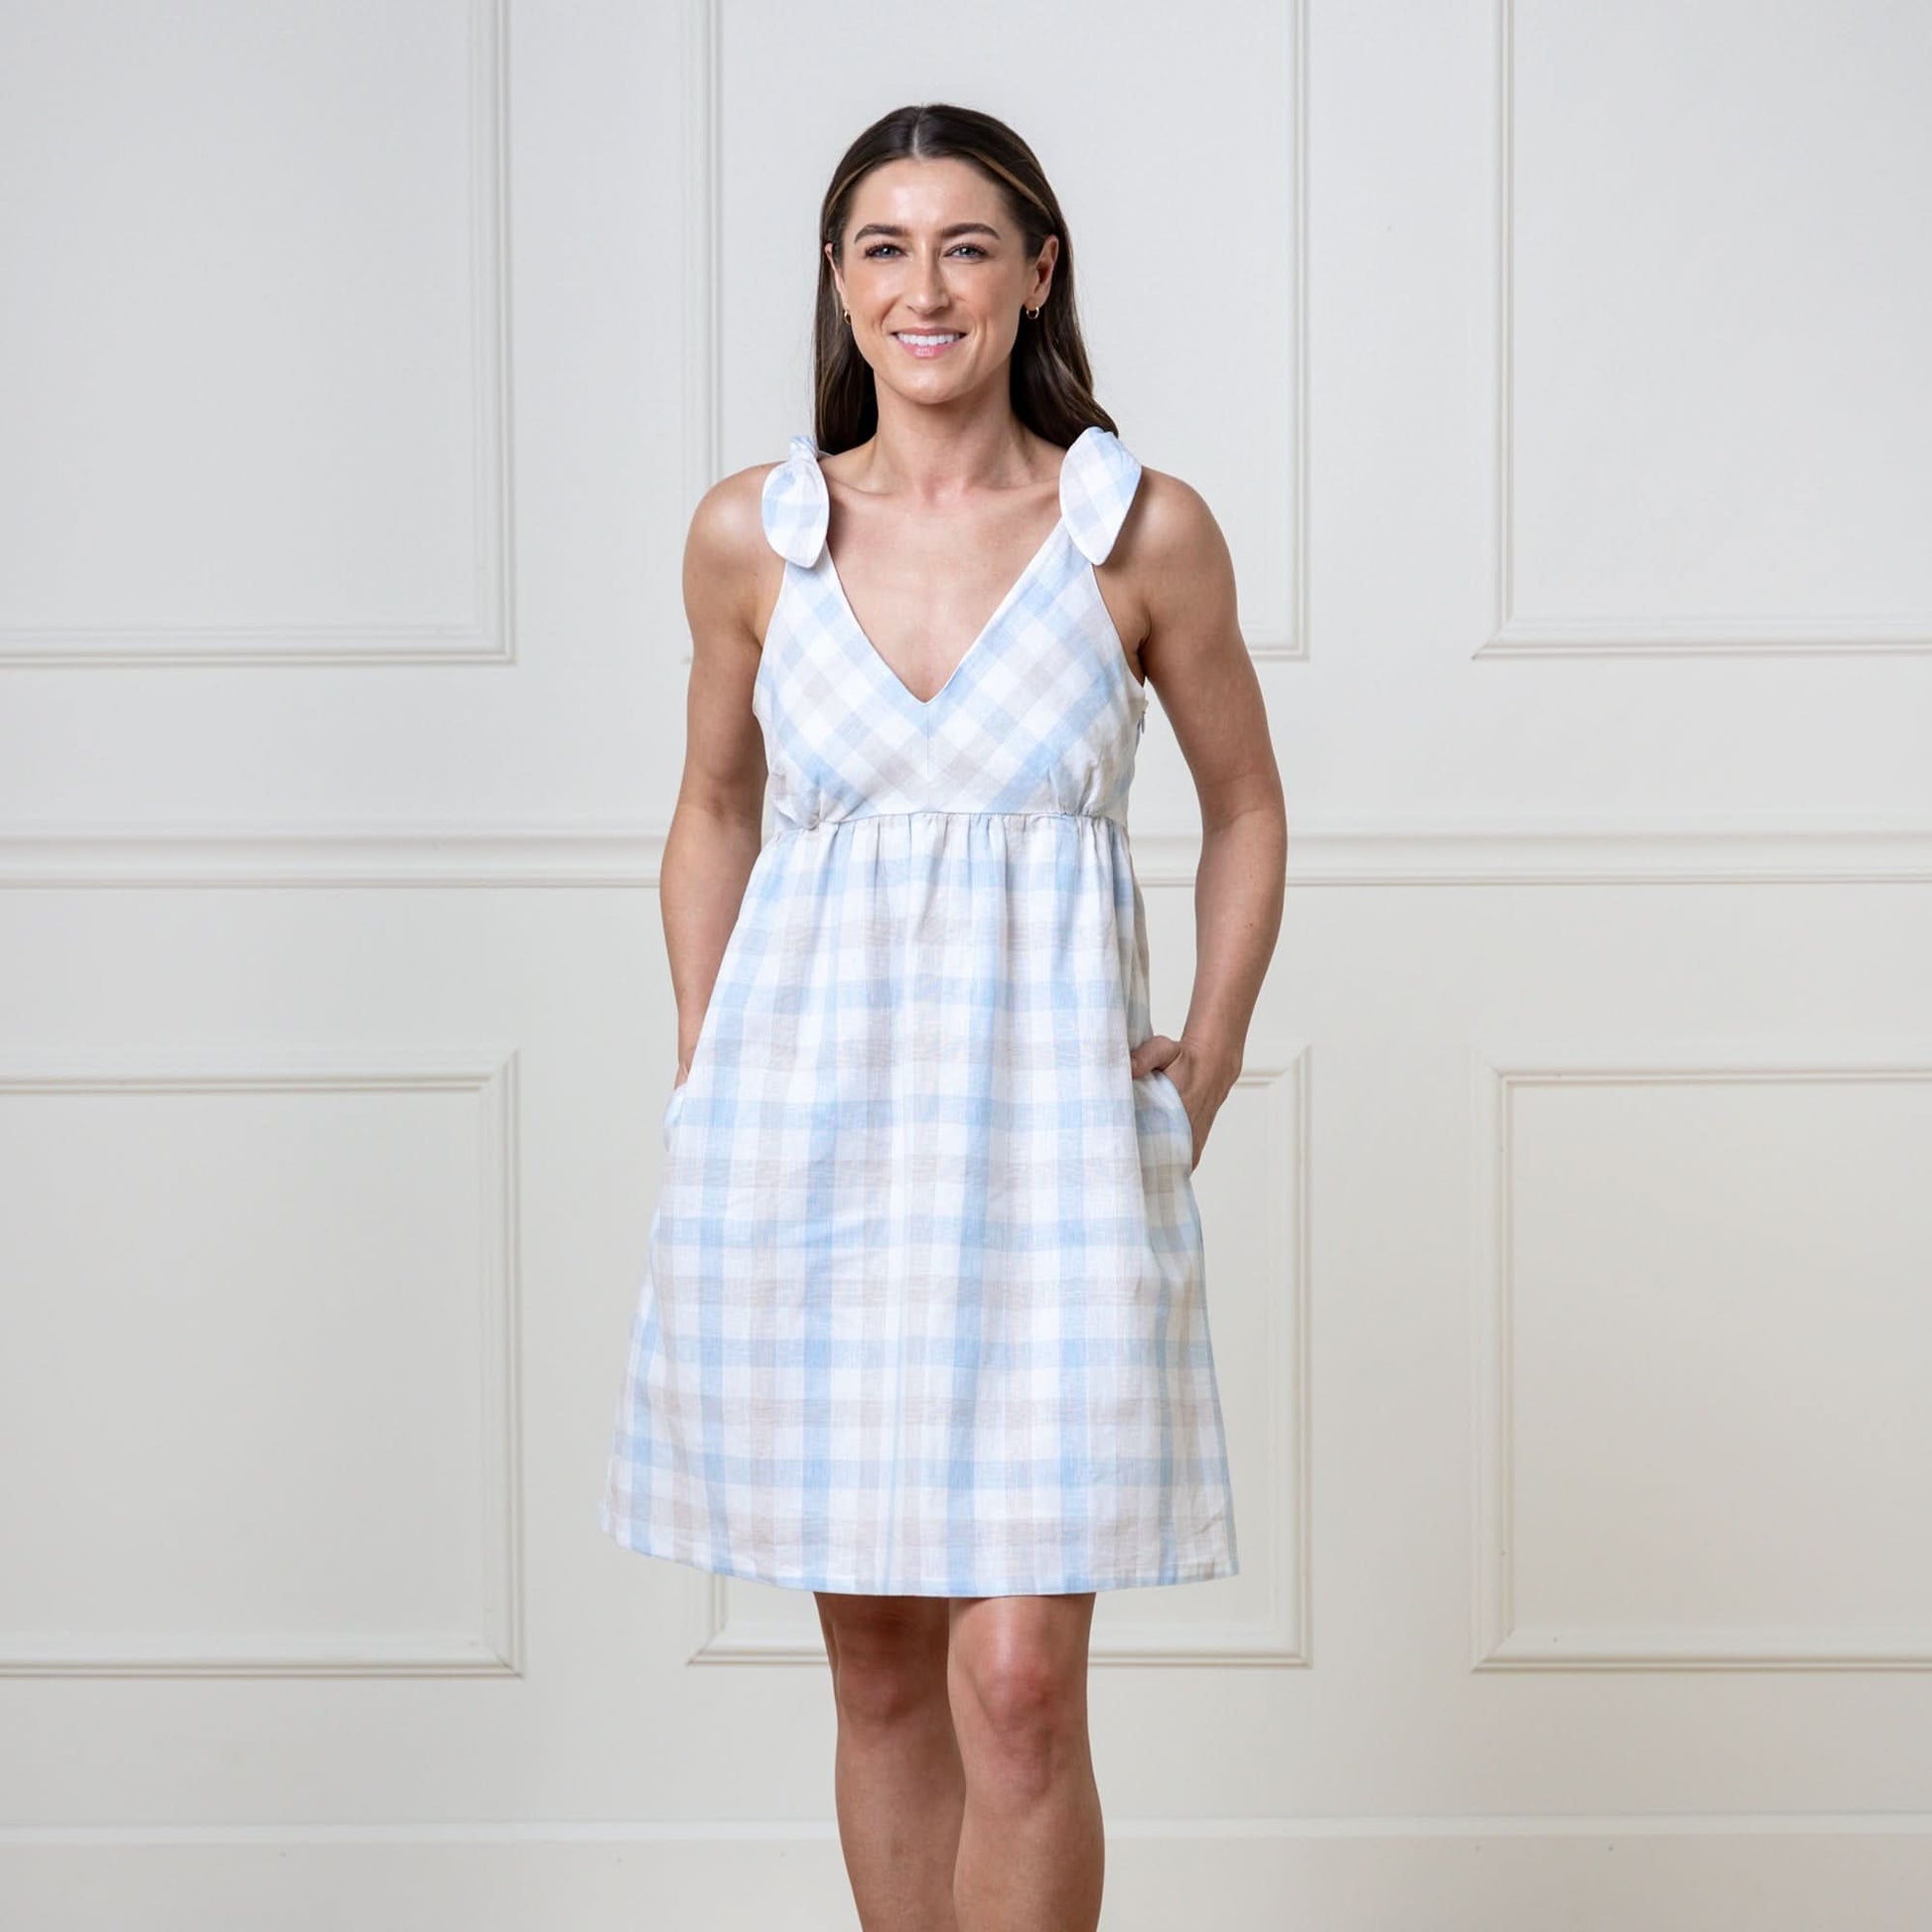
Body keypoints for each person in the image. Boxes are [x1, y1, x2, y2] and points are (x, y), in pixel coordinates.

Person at [602, 100, 1287, 1932]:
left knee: (1018, 1684)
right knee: (887, 1673)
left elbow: (1245, 805)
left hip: (1047, 1161)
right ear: (838, 281)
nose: (925, 287)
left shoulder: (1137, 530)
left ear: (1036, 273)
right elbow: (713, 805)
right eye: (884, 248)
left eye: (967, 246)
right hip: (809, 1152)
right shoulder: (753, 537)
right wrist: (705, 1064)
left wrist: (1207, 1055)